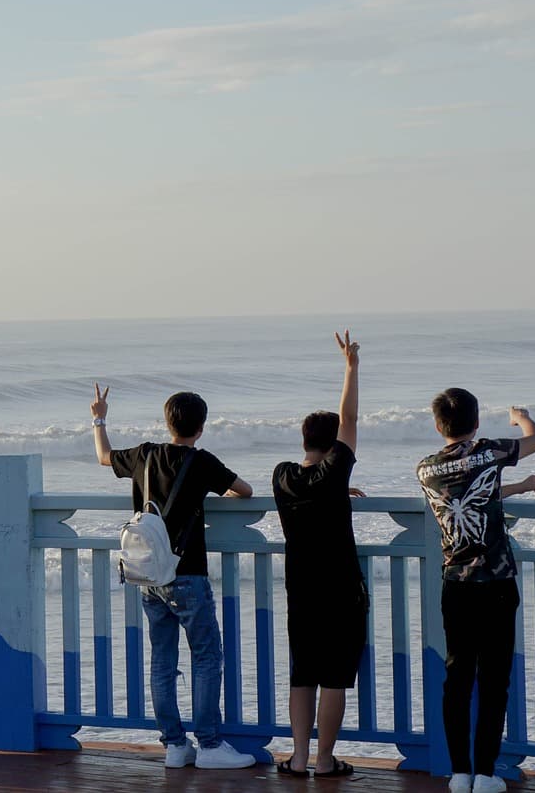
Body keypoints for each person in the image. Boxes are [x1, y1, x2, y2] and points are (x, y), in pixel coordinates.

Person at [91, 383, 257, 769]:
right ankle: (211, 745)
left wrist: (99, 417)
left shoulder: (144, 456)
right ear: (200, 428)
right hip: (188, 575)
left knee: (162, 660)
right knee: (205, 656)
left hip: (149, 577)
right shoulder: (202, 462)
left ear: (167, 423)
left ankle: (175, 746)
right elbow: (245, 491)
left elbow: (103, 456)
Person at [416, 389, 535, 793]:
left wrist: (517, 487)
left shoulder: (425, 468)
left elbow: (462, 497)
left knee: (457, 678)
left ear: (438, 425)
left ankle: (460, 773)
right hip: (496, 582)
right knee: (494, 680)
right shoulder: (490, 451)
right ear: (476, 422)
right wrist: (521, 416)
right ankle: (487, 773)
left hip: (455, 585)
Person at [272, 330, 368, 780]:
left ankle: (296, 757)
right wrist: (350, 367)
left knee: (302, 675)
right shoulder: (334, 471)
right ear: (333, 446)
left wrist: (338, 489)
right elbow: (349, 417)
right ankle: (326, 760)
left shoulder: (282, 476)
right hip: (341, 588)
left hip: (301, 589)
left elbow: (313, 484)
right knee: (334, 678)